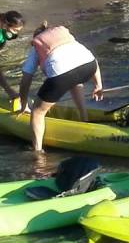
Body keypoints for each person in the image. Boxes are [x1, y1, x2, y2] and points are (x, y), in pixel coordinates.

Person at [17, 22, 104, 151]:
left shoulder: (37, 46)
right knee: (75, 81)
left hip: (63, 73)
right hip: (89, 66)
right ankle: (84, 120)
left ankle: (37, 151)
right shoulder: (65, 38)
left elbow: (26, 80)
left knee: (37, 112)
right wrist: (98, 85)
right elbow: (93, 60)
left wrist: (23, 105)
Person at [0, 11, 25, 100]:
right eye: (15, 30)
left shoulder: (4, 29)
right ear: (6, 24)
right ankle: (10, 92)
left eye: (18, 31)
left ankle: (10, 92)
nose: (15, 33)